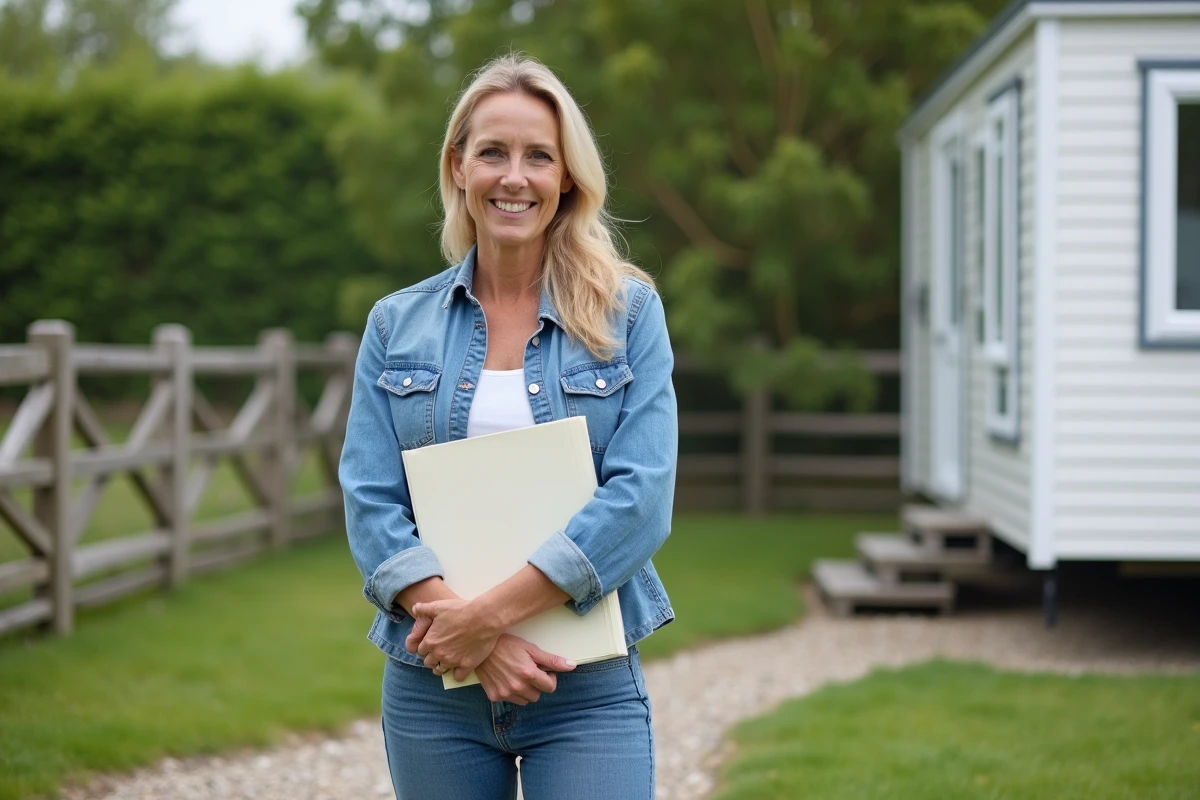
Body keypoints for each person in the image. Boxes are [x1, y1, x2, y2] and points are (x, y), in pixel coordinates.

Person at [338, 53, 678, 800]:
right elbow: (370, 499)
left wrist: (483, 621)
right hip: (435, 689)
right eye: (492, 152)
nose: (514, 177)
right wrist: (471, 642)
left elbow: (642, 499)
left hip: (585, 686)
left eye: (538, 156)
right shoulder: (395, 325)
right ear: (458, 166)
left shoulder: (630, 316)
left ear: (567, 177)